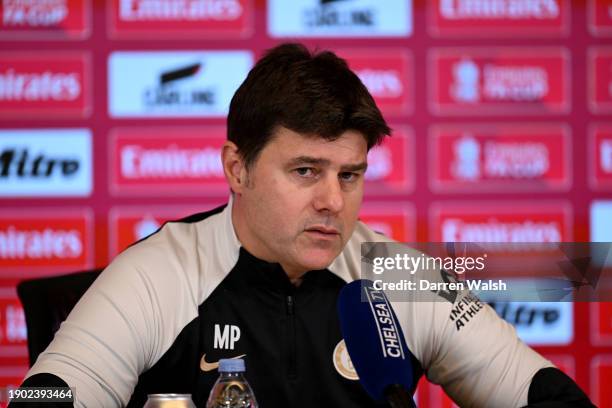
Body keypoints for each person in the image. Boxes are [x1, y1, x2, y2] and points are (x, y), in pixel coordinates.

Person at [15, 43, 592, 407]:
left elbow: (538, 391)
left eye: (350, 175)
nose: (332, 202)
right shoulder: (155, 275)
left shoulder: (399, 276)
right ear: (237, 168)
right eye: (306, 171)